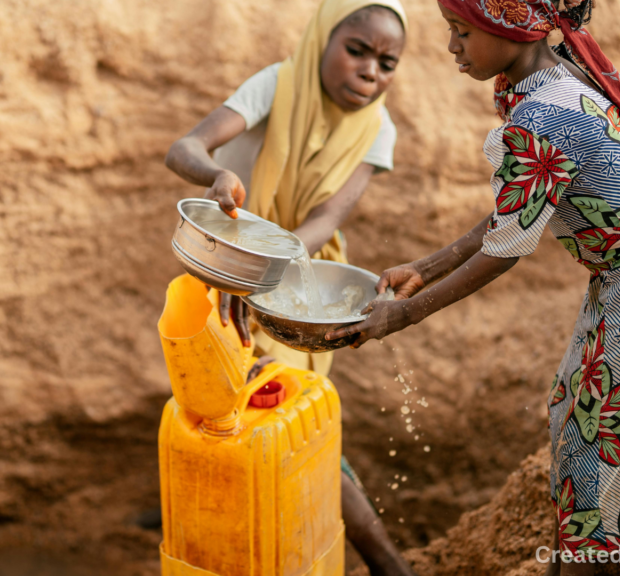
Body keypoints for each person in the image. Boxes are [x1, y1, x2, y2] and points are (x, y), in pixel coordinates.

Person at [327, 1, 620, 574]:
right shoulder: (549, 80)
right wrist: (427, 265)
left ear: (507, 29)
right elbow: (514, 211)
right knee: (579, 406)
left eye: (461, 32)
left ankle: (604, 553)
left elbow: (505, 249)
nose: (451, 47)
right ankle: (593, 549)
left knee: (599, 427)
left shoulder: (542, 116)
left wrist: (404, 314)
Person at [164, 1, 417, 574]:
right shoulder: (277, 84)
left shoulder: (379, 131)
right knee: (232, 413)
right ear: (323, 39)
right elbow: (184, 149)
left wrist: (269, 264)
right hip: (224, 275)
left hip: (299, 289)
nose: (370, 71)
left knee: (287, 413)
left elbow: (327, 219)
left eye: (387, 62)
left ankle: (382, 564)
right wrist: (215, 176)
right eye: (356, 50)